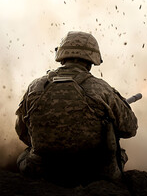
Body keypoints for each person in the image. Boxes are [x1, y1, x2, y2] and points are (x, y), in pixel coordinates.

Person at [15, 31, 138, 185]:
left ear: (62, 56)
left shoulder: (35, 86)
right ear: (91, 60)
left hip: (41, 170)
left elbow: (21, 131)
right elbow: (129, 129)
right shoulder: (102, 89)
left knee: (24, 156)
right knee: (120, 154)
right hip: (92, 175)